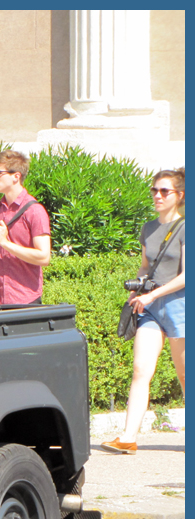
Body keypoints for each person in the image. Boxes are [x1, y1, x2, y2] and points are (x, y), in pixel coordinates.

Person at [101, 168, 185, 455]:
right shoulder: (148, 228)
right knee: (140, 370)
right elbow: (145, 267)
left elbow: (187, 275)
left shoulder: (187, 227)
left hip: (179, 305)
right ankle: (128, 437)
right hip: (150, 305)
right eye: (154, 190)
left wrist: (153, 295)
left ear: (180, 195)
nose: (157, 196)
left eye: (165, 191)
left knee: (185, 375)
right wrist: (136, 291)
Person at [0, 150, 51, 305]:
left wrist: (5, 243)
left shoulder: (34, 211)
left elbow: (44, 257)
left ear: (16, 176)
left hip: (25, 300)